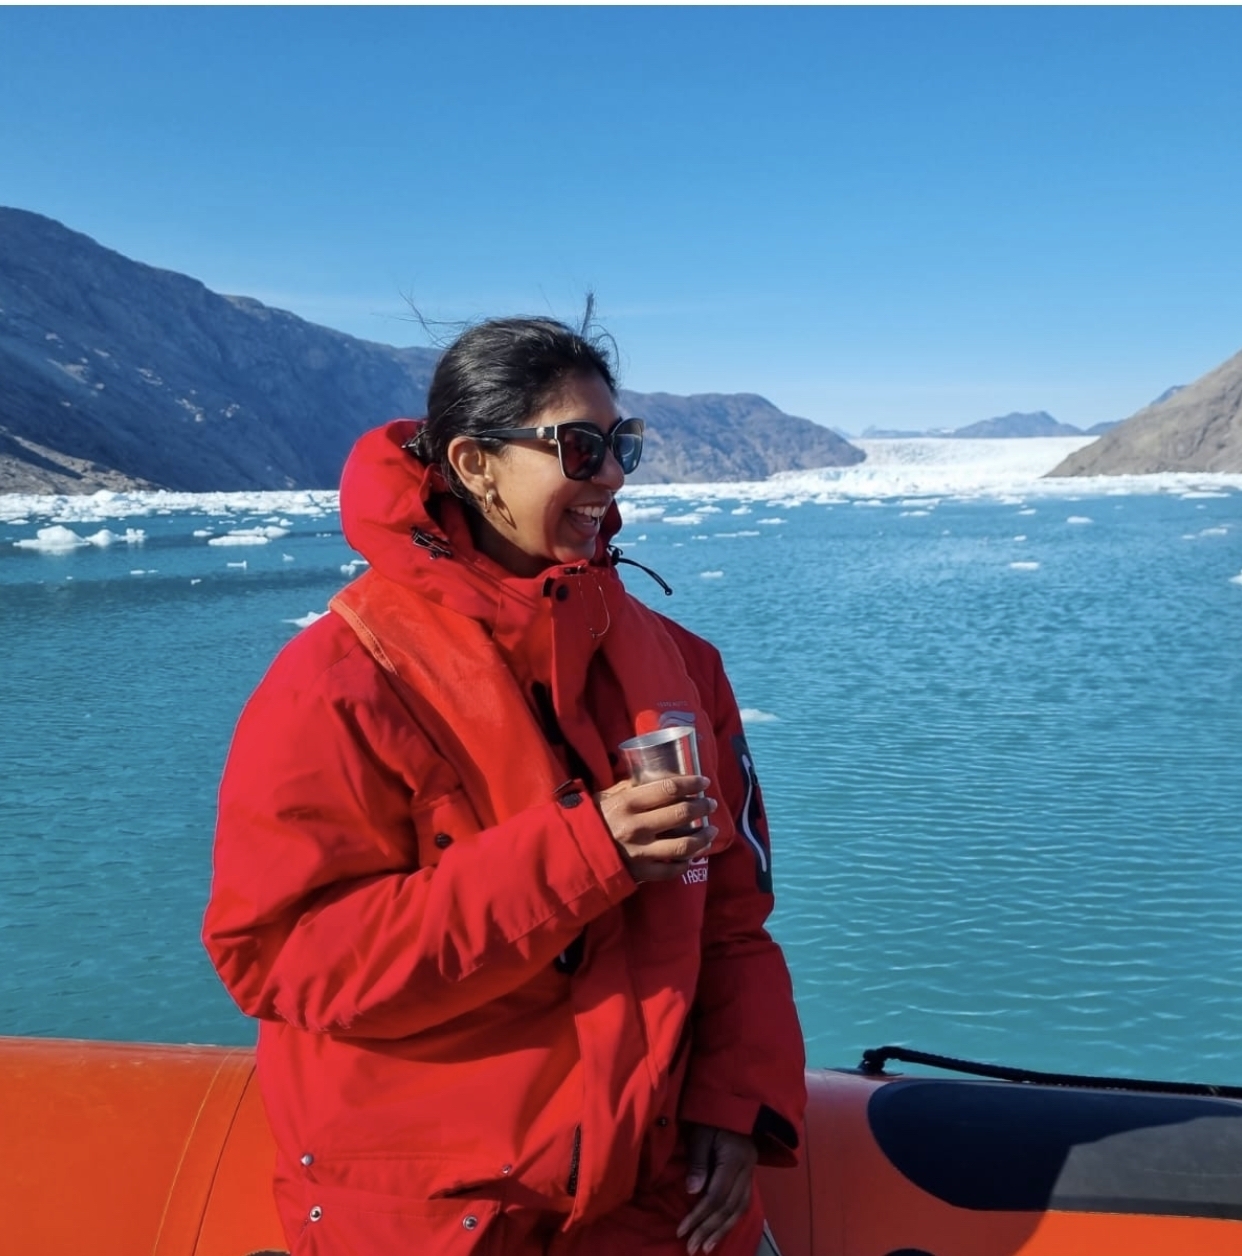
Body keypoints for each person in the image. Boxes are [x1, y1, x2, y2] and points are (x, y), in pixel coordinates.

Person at [203, 312, 807, 1256]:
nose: (609, 475)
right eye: (579, 446)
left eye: (623, 446)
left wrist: (735, 1100)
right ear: (476, 464)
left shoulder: (681, 669)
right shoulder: (345, 682)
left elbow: (732, 920)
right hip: (445, 1211)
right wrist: (584, 852)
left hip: (649, 1198)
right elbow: (286, 958)